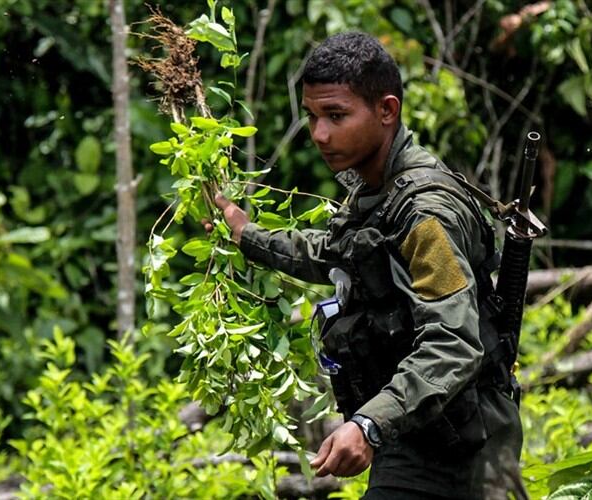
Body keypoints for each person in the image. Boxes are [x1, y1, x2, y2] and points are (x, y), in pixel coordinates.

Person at [210, 32, 526, 499]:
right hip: (408, 435)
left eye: (336, 116)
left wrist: (368, 425)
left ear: (387, 110)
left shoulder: (425, 214)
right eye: (313, 116)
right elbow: (341, 254)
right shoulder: (376, 190)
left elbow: (455, 343)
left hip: (467, 449)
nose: (319, 134)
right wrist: (247, 234)